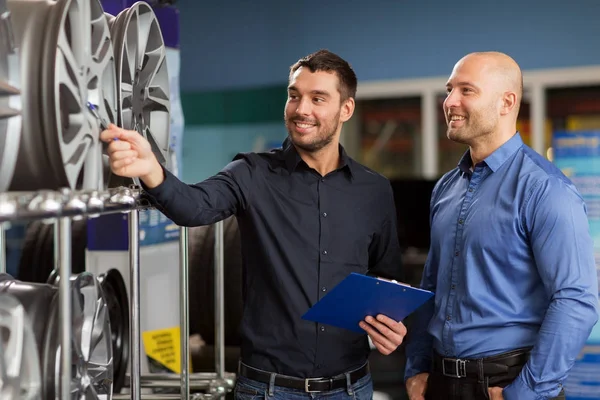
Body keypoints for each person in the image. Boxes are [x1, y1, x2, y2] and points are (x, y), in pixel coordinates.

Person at [101, 49, 407, 399]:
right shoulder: (252, 173)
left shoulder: (374, 189)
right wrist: (151, 170)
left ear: (346, 109)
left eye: (317, 98)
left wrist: (391, 327)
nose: (301, 109)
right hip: (268, 390)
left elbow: (387, 281)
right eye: (294, 96)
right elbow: (194, 208)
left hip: (350, 388)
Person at [404, 51, 600, 400]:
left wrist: (525, 393)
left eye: (467, 90)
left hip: (506, 385)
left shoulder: (545, 189)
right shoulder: (446, 189)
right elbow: (431, 285)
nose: (450, 101)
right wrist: (417, 368)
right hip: (441, 382)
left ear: (506, 102)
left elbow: (575, 300)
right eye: (449, 90)